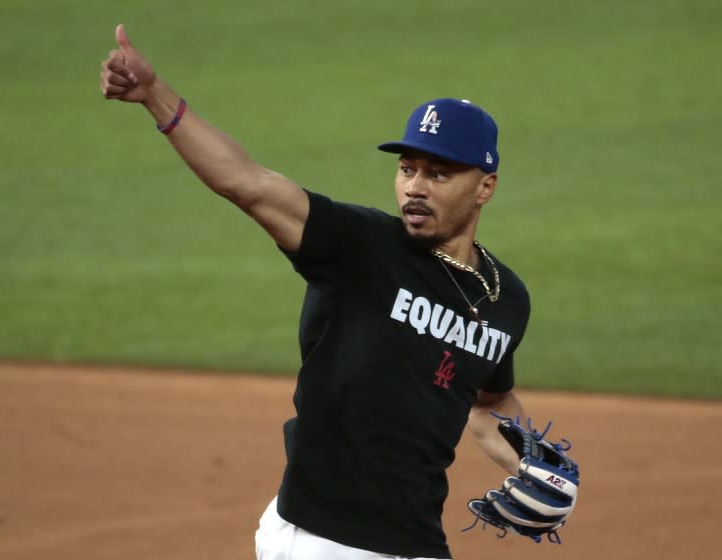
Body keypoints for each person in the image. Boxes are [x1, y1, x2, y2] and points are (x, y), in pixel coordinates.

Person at [100, 24, 532, 560]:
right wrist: (155, 95)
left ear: (484, 186)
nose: (415, 187)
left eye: (438, 174)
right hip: (322, 540)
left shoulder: (504, 299)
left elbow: (489, 405)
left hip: (414, 541)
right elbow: (247, 183)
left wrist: (535, 462)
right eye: (407, 169)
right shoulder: (359, 246)